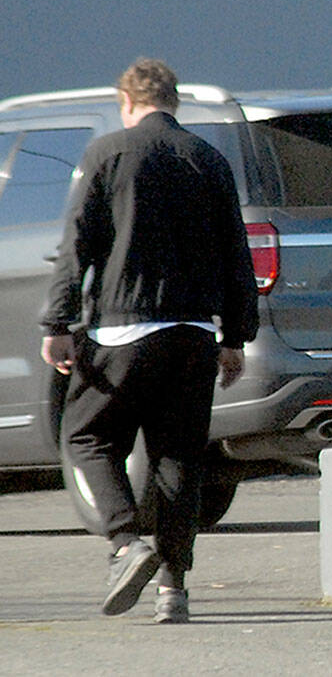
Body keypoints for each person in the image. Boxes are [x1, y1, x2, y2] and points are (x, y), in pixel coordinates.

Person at [39, 59, 259, 623]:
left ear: (126, 102)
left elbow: (77, 244)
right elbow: (237, 252)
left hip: (124, 327)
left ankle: (124, 544)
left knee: (86, 435)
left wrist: (58, 324)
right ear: (174, 101)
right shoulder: (207, 159)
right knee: (178, 457)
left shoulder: (107, 153)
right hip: (193, 334)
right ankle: (173, 590)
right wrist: (235, 337)